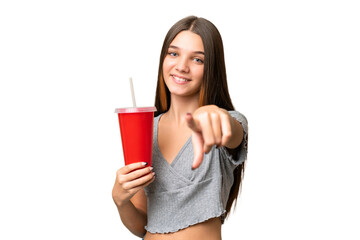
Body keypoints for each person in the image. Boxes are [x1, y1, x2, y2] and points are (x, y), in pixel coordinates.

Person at [112, 16, 248, 240]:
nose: (181, 66)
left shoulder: (224, 121)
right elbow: (143, 226)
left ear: (211, 68)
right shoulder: (146, 129)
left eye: (197, 60)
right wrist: (120, 201)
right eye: (173, 53)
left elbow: (231, 131)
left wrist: (216, 115)